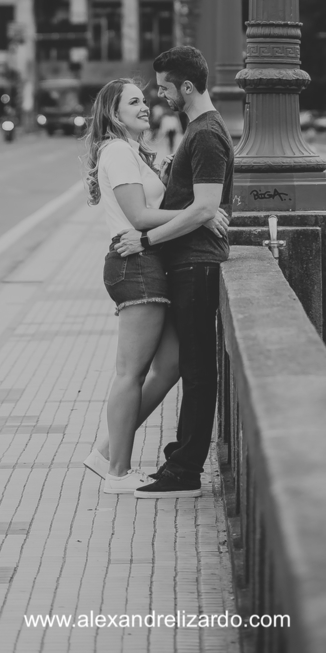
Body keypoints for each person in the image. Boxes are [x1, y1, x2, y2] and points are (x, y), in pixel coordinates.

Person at [80, 77, 229, 495]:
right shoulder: (117, 152)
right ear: (114, 114)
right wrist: (203, 213)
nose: (145, 106)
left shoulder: (133, 153)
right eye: (134, 102)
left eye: (144, 100)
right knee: (131, 372)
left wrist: (192, 205)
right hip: (135, 263)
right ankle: (118, 473)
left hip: (148, 263)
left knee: (169, 367)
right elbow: (140, 216)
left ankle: (106, 450)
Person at [115, 45, 234, 498]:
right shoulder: (202, 130)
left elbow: (204, 207)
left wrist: (145, 239)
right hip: (191, 261)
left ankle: (184, 471)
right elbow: (203, 204)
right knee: (192, 365)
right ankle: (182, 457)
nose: (159, 96)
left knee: (198, 369)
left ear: (186, 87)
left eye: (164, 87)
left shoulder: (205, 134)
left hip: (196, 263)